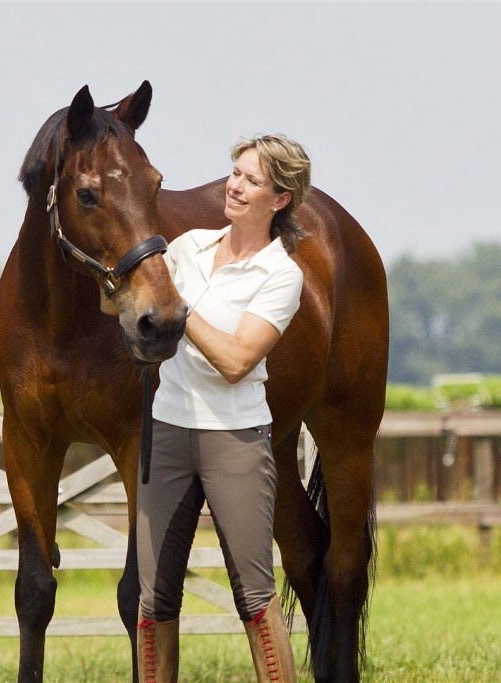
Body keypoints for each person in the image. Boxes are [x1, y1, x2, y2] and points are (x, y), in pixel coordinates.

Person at [136, 134, 312, 683]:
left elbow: (236, 359)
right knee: (153, 602)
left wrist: (178, 308)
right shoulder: (187, 248)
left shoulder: (281, 275)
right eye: (235, 173)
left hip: (233, 441)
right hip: (167, 432)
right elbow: (130, 300)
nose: (235, 186)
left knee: (256, 598)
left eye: (252, 180)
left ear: (279, 199)